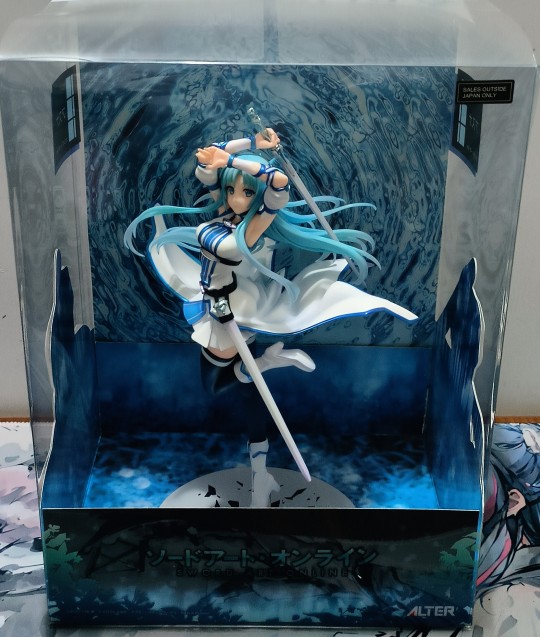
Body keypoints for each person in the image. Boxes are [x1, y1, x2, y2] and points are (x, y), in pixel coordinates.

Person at [125, 127, 417, 506]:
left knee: (216, 384)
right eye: (232, 190)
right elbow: (207, 159)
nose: (236, 197)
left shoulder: (253, 225)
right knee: (249, 398)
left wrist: (234, 160)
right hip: (218, 301)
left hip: (228, 308)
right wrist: (250, 145)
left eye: (246, 192)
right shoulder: (225, 211)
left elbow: (278, 182)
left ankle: (266, 365)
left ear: (257, 196)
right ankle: (260, 473)